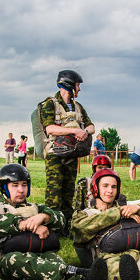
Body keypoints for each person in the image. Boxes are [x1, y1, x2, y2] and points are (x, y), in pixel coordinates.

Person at [0, 164, 103, 280]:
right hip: (7, 258)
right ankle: (80, 272)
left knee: (53, 260)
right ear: (5, 188)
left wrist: (44, 217)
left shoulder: (35, 208)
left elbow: (61, 221)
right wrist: (24, 224)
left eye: (24, 185)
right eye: (15, 185)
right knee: (20, 260)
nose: (21, 190)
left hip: (39, 251)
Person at [39, 70, 94, 224]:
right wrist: (74, 130)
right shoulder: (50, 104)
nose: (79, 89)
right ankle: (52, 224)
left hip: (71, 154)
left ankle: (66, 223)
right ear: (69, 85)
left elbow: (91, 126)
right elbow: (49, 129)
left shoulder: (78, 107)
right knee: (54, 191)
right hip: (54, 154)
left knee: (68, 191)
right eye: (77, 85)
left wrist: (84, 131)